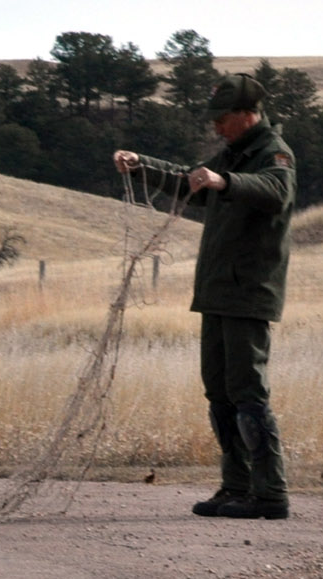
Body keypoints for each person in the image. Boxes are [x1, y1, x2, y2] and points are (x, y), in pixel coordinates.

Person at [114, 73, 296, 520]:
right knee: (219, 393)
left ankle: (269, 493)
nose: (216, 127)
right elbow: (191, 182)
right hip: (217, 293)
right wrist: (143, 166)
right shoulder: (235, 153)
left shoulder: (273, 152)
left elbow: (277, 192)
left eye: (223, 119)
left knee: (248, 392)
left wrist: (226, 182)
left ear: (246, 114)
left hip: (249, 292)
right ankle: (235, 486)